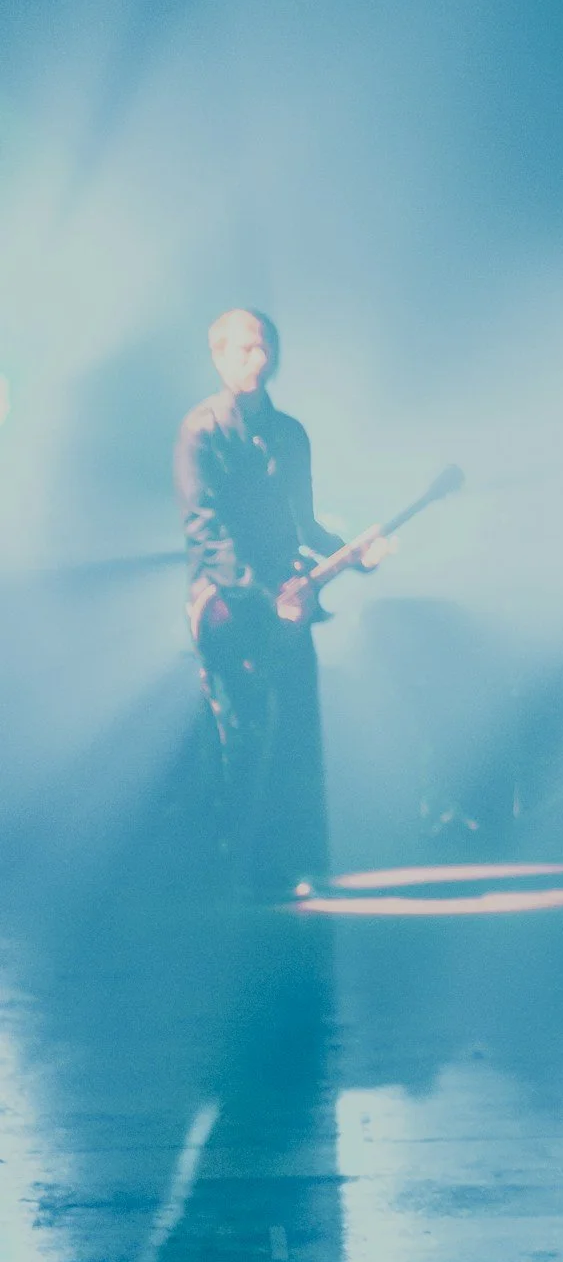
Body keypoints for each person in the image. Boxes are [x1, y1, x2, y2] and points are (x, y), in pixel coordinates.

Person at [174, 308, 387, 900]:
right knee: (239, 737)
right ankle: (234, 870)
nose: (257, 360)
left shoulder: (290, 433)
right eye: (243, 350)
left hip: (288, 602)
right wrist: (263, 596)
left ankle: (292, 866)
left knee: (295, 733)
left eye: (264, 348)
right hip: (228, 606)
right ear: (218, 357)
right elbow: (205, 529)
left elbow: (306, 521)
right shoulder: (201, 430)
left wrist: (352, 554)